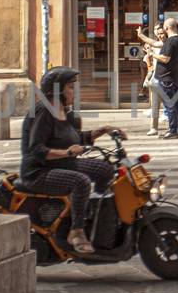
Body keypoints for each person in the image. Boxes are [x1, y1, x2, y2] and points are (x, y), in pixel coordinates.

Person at [19, 67, 126, 255]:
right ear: (57, 90)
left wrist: (105, 129)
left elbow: (76, 138)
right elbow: (36, 150)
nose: (75, 91)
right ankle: (75, 232)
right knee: (81, 182)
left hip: (60, 164)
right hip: (38, 171)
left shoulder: (66, 112)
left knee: (105, 169)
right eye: (70, 87)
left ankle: (92, 214)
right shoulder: (44, 112)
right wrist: (67, 153)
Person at [151, 17, 178, 139]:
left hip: (167, 79)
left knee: (170, 105)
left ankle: (173, 130)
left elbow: (165, 58)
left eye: (164, 28)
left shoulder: (171, 41)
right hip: (174, 77)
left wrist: (153, 54)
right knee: (176, 105)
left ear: (166, 28)